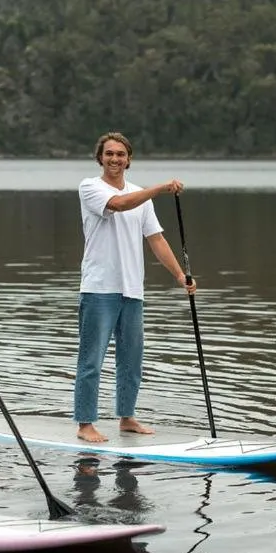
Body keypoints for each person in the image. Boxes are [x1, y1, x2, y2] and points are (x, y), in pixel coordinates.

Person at [73, 131, 196, 443]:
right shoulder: (91, 187)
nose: (115, 159)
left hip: (132, 290)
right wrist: (160, 188)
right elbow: (119, 203)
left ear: (128, 159)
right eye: (109, 154)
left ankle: (127, 418)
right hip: (99, 288)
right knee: (92, 360)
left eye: (120, 154)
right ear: (100, 157)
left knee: (131, 359)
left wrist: (181, 277)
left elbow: (156, 240)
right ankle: (85, 423)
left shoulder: (141, 195)